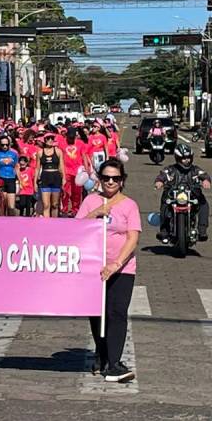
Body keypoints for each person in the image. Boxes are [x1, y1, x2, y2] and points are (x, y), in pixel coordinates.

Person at [76, 158, 140, 383]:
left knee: (117, 313)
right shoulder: (90, 200)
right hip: (93, 268)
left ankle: (114, 364)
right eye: (106, 178)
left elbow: (132, 237)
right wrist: (95, 213)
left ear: (122, 181)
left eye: (116, 178)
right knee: (97, 313)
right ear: (100, 180)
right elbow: (75, 229)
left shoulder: (129, 205)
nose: (111, 182)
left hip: (122, 268)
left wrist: (116, 264)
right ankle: (102, 353)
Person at [154, 143, 210, 243]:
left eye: (188, 158)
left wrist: (206, 180)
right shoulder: (171, 169)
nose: (187, 160)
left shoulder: (195, 170)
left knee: (204, 204)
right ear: (178, 158)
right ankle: (164, 231)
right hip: (173, 196)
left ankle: (202, 230)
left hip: (192, 196)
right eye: (184, 158)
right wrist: (159, 182)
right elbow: (162, 174)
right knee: (165, 204)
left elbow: (204, 174)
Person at [36, 133, 65, 218]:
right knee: (46, 205)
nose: (50, 140)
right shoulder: (40, 152)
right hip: (45, 177)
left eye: (52, 138)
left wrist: (64, 178)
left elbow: (62, 166)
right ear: (44, 140)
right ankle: (47, 224)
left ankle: (54, 224)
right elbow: (37, 168)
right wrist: (35, 181)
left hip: (56, 177)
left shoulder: (58, 151)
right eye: (48, 138)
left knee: (55, 204)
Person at [61, 128, 86, 217]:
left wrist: (86, 169)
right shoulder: (62, 143)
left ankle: (75, 209)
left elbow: (84, 156)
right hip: (66, 171)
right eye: (69, 137)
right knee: (65, 191)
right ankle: (64, 209)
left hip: (77, 172)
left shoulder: (80, 143)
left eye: (72, 137)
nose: (71, 139)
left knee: (77, 192)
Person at [0, 136, 19, 214]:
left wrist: (20, 181)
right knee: (2, 205)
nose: (5, 146)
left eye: (7, 144)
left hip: (11, 179)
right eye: (3, 145)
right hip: (1, 179)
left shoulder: (14, 153)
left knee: (11, 206)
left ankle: (12, 222)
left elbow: (17, 167)